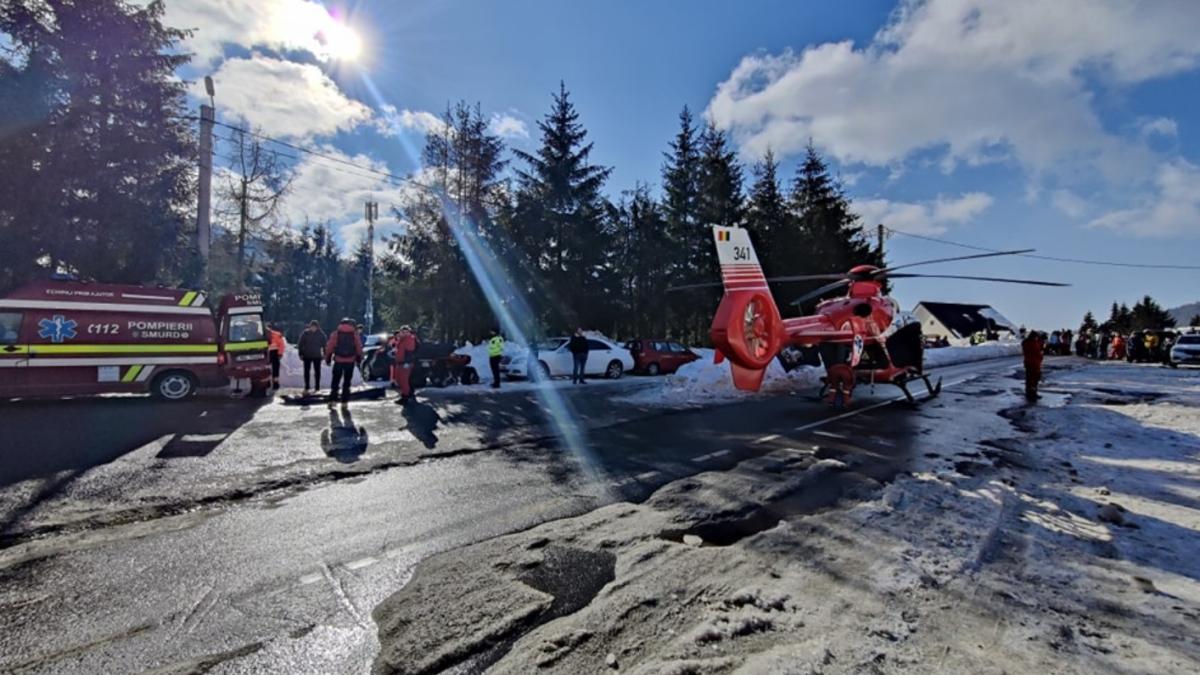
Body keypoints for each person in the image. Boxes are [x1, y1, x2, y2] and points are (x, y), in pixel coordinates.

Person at [325, 317, 363, 407]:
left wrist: (328, 358)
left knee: (336, 381)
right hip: (350, 360)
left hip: (338, 360)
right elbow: (358, 347)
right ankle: (344, 402)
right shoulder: (354, 334)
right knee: (347, 382)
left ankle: (333, 400)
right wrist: (359, 358)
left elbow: (330, 346)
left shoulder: (336, 333)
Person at [390, 325, 419, 405]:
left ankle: (406, 397)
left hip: (405, 363)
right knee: (400, 380)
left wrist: (407, 362)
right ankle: (406, 395)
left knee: (403, 381)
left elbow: (409, 352)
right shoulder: (402, 339)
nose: (403, 333)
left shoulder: (409, 339)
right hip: (401, 362)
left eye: (405, 331)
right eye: (402, 331)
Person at [298, 320, 327, 393]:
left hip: (317, 355)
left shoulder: (321, 334)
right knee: (306, 372)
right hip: (307, 355)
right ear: (310, 326)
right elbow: (300, 344)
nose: (313, 328)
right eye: (312, 327)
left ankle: (317, 387)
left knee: (317, 372)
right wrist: (300, 353)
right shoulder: (305, 333)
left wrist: (325, 353)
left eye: (315, 327)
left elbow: (324, 345)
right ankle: (307, 386)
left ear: (317, 327)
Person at [1022, 331, 1045, 401]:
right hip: (1034, 363)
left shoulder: (1025, 343)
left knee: (1029, 379)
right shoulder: (1033, 343)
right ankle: (1033, 393)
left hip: (1028, 362)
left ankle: (1028, 392)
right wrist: (1041, 355)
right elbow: (1038, 353)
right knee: (1034, 379)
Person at [267, 323, 286, 389]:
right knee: (266, 369)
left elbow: (281, 345)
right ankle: (267, 383)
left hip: (275, 353)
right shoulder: (261, 335)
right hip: (266, 353)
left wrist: (280, 353)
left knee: (275, 369)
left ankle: (275, 383)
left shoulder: (277, 334)